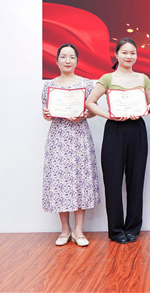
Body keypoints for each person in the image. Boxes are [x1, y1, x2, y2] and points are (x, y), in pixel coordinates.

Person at [86, 38, 150, 244]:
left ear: (136, 55)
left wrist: (142, 111)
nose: (128, 56)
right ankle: (115, 230)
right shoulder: (107, 78)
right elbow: (90, 102)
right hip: (114, 130)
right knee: (113, 182)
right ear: (116, 54)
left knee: (136, 181)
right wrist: (109, 115)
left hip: (137, 130)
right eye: (124, 52)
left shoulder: (143, 78)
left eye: (132, 53)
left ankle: (133, 228)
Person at [41, 43, 100, 247]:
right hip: (58, 137)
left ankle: (79, 230)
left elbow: (93, 111)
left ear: (77, 60)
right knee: (60, 182)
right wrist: (47, 114)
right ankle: (65, 229)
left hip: (79, 137)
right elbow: (46, 114)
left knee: (80, 179)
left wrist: (84, 114)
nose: (67, 61)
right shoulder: (49, 85)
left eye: (72, 57)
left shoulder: (86, 84)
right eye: (63, 57)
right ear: (57, 60)